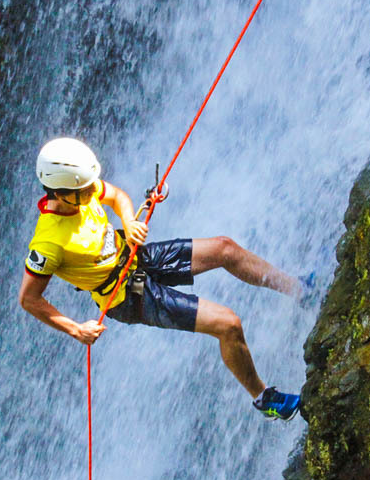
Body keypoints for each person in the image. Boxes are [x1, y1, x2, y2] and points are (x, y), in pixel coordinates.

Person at [18, 138, 310, 420]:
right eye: (83, 191)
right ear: (58, 192)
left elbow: (116, 196)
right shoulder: (48, 242)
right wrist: (75, 329)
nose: (92, 191)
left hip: (135, 256)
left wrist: (129, 222)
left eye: (91, 184)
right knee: (228, 324)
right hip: (126, 295)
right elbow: (29, 299)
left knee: (225, 248)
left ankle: (298, 290)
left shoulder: (83, 188)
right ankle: (265, 399)